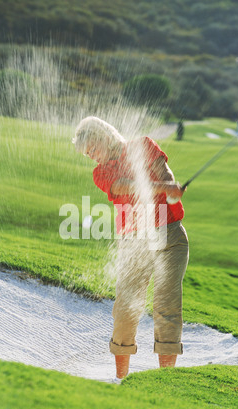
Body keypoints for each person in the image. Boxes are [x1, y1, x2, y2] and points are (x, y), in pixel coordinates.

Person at [73, 116, 189, 381]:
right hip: (134, 243)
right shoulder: (101, 172)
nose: (92, 156)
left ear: (104, 136)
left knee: (166, 305)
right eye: (87, 154)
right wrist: (164, 188)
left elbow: (166, 174)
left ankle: (165, 382)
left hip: (168, 234)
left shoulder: (144, 145)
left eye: (92, 149)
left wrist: (172, 188)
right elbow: (126, 187)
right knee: (126, 309)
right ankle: (121, 380)